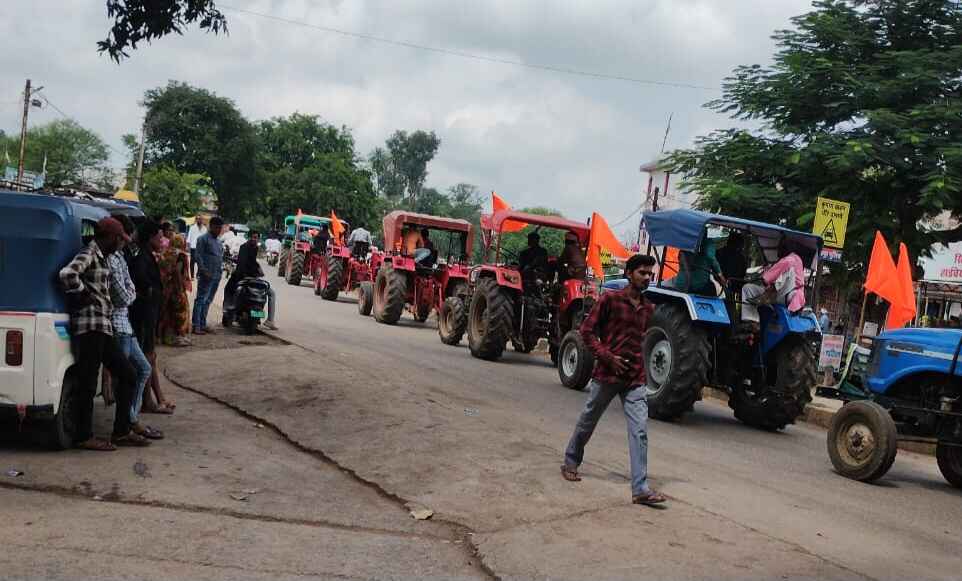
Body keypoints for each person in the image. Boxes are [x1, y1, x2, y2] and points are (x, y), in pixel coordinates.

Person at [560, 254, 666, 506]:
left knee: (639, 431)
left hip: (635, 378)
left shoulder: (649, 308)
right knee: (589, 419)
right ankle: (570, 461)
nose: (647, 277)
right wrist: (607, 357)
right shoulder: (610, 300)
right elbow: (587, 332)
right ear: (629, 273)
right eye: (642, 273)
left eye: (650, 274)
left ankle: (640, 488)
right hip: (607, 375)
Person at [59, 217, 147, 450]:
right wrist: (82, 295)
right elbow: (68, 274)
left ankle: (121, 431)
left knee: (127, 374)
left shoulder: (104, 257)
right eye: (119, 239)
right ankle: (83, 436)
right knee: (89, 381)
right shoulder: (90, 252)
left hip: (101, 326)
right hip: (90, 325)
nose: (120, 244)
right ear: (109, 236)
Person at [108, 215, 164, 440]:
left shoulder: (124, 256)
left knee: (142, 369)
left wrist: (132, 293)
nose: (127, 240)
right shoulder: (120, 258)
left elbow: (129, 287)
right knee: (128, 376)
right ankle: (125, 426)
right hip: (121, 323)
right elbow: (124, 294)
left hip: (126, 324)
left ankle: (131, 419)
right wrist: (137, 293)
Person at [129, 220, 175, 415]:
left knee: (151, 356)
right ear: (150, 238)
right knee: (147, 358)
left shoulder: (147, 256)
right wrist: (150, 293)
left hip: (149, 313)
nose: (162, 239)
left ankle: (156, 398)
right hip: (144, 313)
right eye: (159, 236)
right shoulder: (141, 258)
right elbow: (142, 285)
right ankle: (148, 401)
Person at [741, 239, 805, 324]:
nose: (778, 252)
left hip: (786, 296)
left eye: (779, 249)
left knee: (747, 288)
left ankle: (751, 320)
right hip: (798, 297)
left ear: (784, 249)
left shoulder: (786, 260)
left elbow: (765, 279)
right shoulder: (798, 259)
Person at [226, 230, 278, 330]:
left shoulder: (254, 248)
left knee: (271, 293)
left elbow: (251, 262)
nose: (255, 239)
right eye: (253, 237)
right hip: (245, 277)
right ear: (249, 237)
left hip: (250, 278)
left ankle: (270, 321)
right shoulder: (244, 247)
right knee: (232, 290)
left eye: (256, 237)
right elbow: (243, 264)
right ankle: (233, 315)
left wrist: (258, 270)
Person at [158, 233, 193, 346]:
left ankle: (163, 337)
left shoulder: (166, 253)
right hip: (176, 287)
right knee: (179, 313)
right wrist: (179, 289)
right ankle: (176, 337)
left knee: (167, 311)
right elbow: (178, 272)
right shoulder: (181, 255)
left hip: (165, 287)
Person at [193, 216, 225, 335]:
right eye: (217, 228)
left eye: (220, 228)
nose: (219, 230)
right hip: (206, 275)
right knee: (201, 299)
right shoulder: (203, 239)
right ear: (211, 226)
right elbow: (198, 256)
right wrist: (204, 271)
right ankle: (196, 325)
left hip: (216, 275)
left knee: (208, 300)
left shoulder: (218, 241)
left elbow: (219, 257)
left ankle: (202, 323)